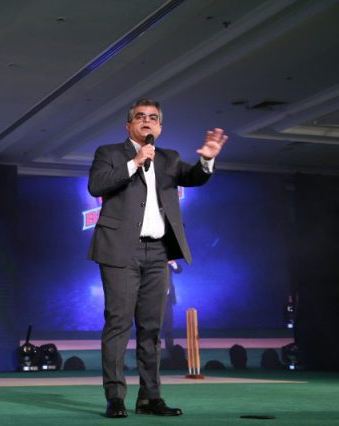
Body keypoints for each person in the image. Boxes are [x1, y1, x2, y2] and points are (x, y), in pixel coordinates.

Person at [87, 98, 228, 418]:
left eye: (153, 117)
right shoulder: (109, 153)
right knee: (118, 323)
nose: (146, 121)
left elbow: (194, 177)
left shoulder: (169, 158)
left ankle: (150, 397)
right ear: (129, 125)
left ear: (160, 127)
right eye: (140, 116)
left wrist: (207, 159)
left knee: (151, 328)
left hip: (159, 252)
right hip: (120, 250)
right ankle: (115, 398)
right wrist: (135, 162)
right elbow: (96, 185)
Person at [161, 260, 182, 350]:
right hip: (153, 297)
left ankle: (169, 347)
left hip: (167, 298)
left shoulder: (168, 262)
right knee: (153, 325)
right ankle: (152, 348)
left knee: (168, 324)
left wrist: (173, 263)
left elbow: (179, 270)